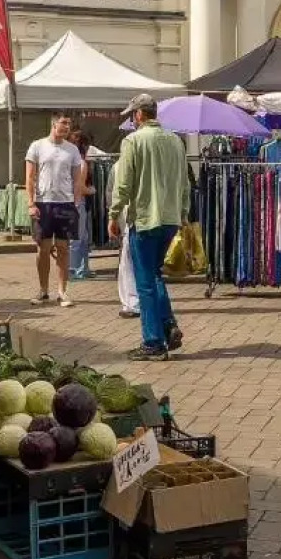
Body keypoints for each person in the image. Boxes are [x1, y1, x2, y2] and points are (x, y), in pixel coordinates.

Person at [108, 93, 189, 360]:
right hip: (170, 218)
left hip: (144, 219)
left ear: (140, 114)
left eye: (133, 115)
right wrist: (184, 212)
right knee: (154, 275)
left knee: (145, 281)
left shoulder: (133, 140)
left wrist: (114, 214)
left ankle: (153, 342)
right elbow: (185, 183)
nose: (133, 119)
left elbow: (124, 184)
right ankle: (168, 325)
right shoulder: (176, 141)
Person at [25, 114, 86, 307]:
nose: (67, 127)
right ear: (54, 124)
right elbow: (29, 177)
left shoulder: (72, 150)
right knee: (42, 249)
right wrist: (31, 203)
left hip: (65, 204)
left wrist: (76, 202)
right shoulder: (37, 146)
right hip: (44, 203)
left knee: (63, 248)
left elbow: (77, 179)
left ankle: (62, 291)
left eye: (69, 124)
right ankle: (43, 290)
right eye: (63, 123)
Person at [67, 130, 96, 281]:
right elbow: (80, 187)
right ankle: (74, 269)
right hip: (79, 202)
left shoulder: (70, 162)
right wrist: (92, 190)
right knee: (78, 239)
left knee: (81, 238)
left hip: (72, 202)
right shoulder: (82, 163)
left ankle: (81, 268)